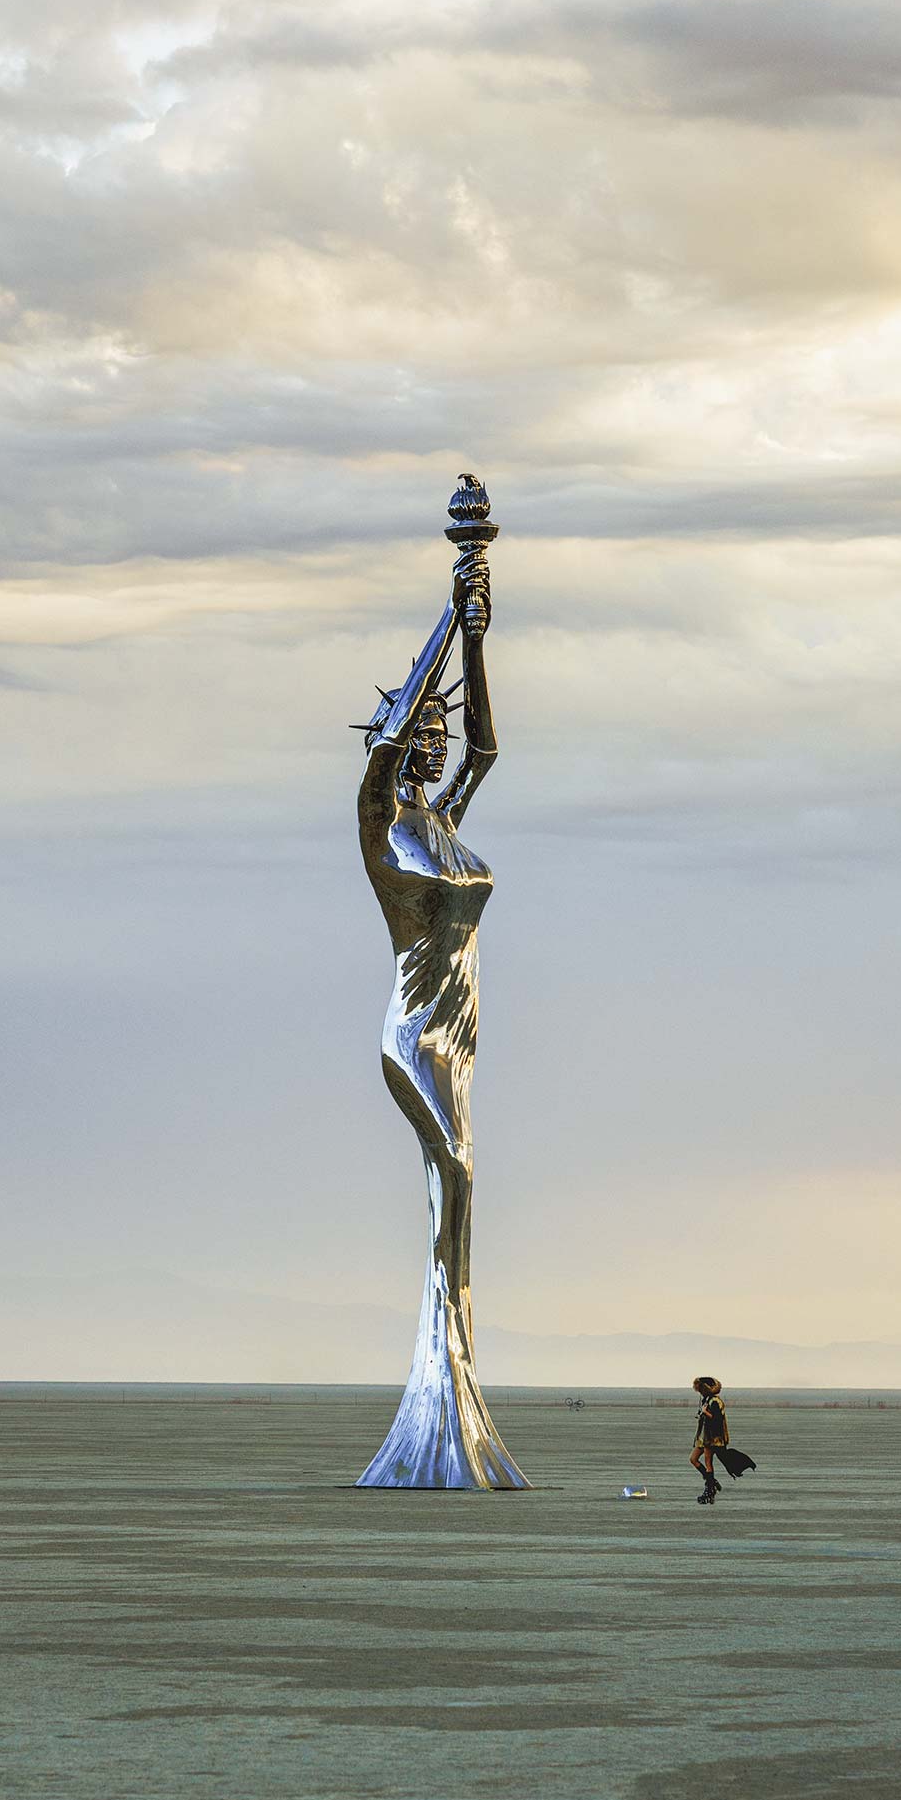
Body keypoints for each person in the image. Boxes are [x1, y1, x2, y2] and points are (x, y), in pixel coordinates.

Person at [351, 530, 527, 1488]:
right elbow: (381, 747)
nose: (433, 743)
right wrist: (441, 617)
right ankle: (439, 1406)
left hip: (463, 1039)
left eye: (435, 736)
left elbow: (491, 743)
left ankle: (450, 1408)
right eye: (420, 735)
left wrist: (477, 633)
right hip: (412, 1036)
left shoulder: (448, 825)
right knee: (454, 1180)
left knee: (463, 1191)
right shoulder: (385, 836)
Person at [691, 1376, 730, 1504]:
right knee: (693, 1459)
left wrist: (705, 1413)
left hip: (713, 1437)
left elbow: (717, 1419)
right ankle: (711, 1481)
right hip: (704, 1436)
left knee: (708, 1461)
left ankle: (709, 1489)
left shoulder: (715, 1401)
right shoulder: (707, 1400)